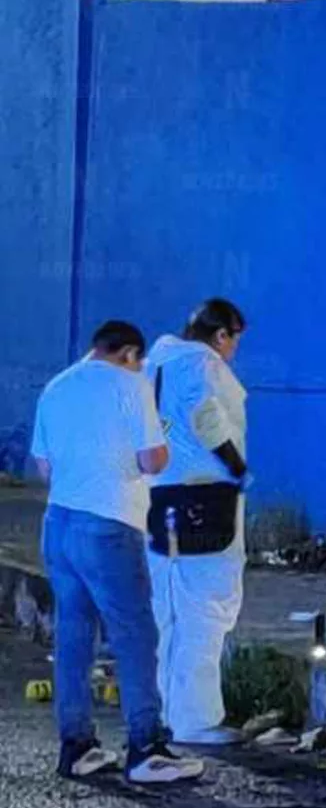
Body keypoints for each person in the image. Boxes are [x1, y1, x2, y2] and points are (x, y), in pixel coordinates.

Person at [30, 320, 205, 784]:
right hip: (108, 525)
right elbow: (153, 460)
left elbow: (44, 466)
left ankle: (77, 747)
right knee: (134, 635)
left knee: (73, 635)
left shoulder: (56, 387)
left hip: (58, 524)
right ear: (129, 354)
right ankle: (146, 747)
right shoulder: (132, 386)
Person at [143, 299, 250, 746]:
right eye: (235, 341)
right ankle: (198, 720)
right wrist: (238, 467)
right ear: (220, 335)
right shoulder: (203, 365)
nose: (234, 351)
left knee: (168, 608)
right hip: (207, 498)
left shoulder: (150, 365)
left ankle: (168, 710)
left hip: (158, 498)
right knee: (208, 608)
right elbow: (207, 420)